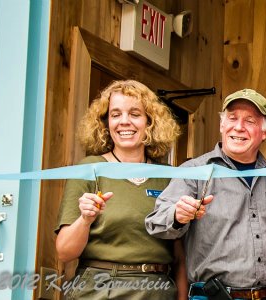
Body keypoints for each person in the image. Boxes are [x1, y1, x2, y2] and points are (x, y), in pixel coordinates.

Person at [145, 88, 266, 299]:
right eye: (232, 118)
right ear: (222, 125)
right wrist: (177, 216)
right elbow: (156, 223)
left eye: (250, 121)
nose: (239, 127)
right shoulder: (195, 171)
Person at [55, 79, 184, 299]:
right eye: (115, 114)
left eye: (135, 114)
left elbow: (181, 256)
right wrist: (85, 220)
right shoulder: (89, 169)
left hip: (157, 290)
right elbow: (65, 252)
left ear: (150, 122)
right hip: (100, 288)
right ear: (105, 123)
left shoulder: (170, 176)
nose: (124, 122)